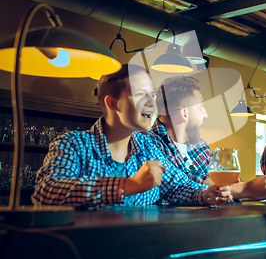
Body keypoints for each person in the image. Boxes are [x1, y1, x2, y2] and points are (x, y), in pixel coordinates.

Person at [32, 64, 230, 208]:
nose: (152, 103)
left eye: (152, 95)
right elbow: (46, 192)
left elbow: (177, 186)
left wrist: (205, 194)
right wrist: (128, 186)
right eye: (140, 94)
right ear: (112, 103)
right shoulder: (73, 144)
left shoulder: (148, 147)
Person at [150, 76, 266, 201]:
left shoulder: (198, 145)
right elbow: (186, 188)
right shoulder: (150, 143)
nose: (205, 114)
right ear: (184, 113)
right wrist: (246, 188)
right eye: (201, 107)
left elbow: (231, 189)